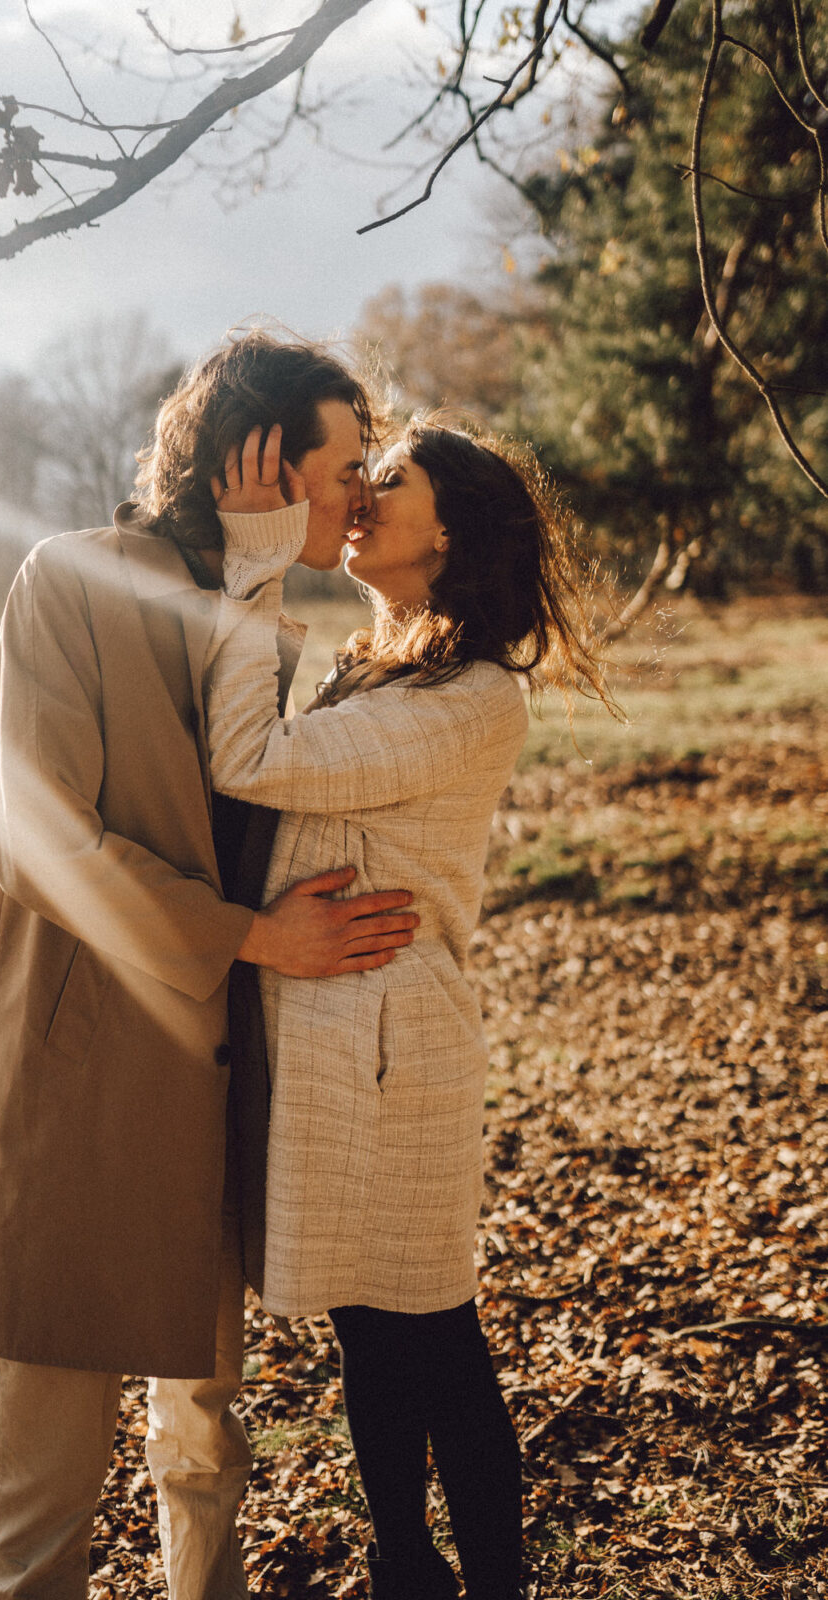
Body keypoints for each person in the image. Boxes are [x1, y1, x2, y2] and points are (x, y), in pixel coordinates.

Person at [0, 331, 422, 1600]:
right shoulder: (69, 580)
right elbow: (44, 845)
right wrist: (258, 939)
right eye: (341, 471)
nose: (361, 499)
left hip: (218, 1091)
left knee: (206, 1452)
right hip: (82, 1096)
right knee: (43, 1494)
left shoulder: (262, 633)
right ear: (255, 462)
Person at [203, 416, 614, 1599]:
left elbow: (252, 761)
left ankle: (491, 1580)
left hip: (394, 1044)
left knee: (433, 1328)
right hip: (330, 1026)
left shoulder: (474, 694)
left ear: (452, 528)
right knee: (364, 1321)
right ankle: (401, 1562)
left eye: (390, 481)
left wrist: (252, 561)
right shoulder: (376, 660)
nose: (364, 496)